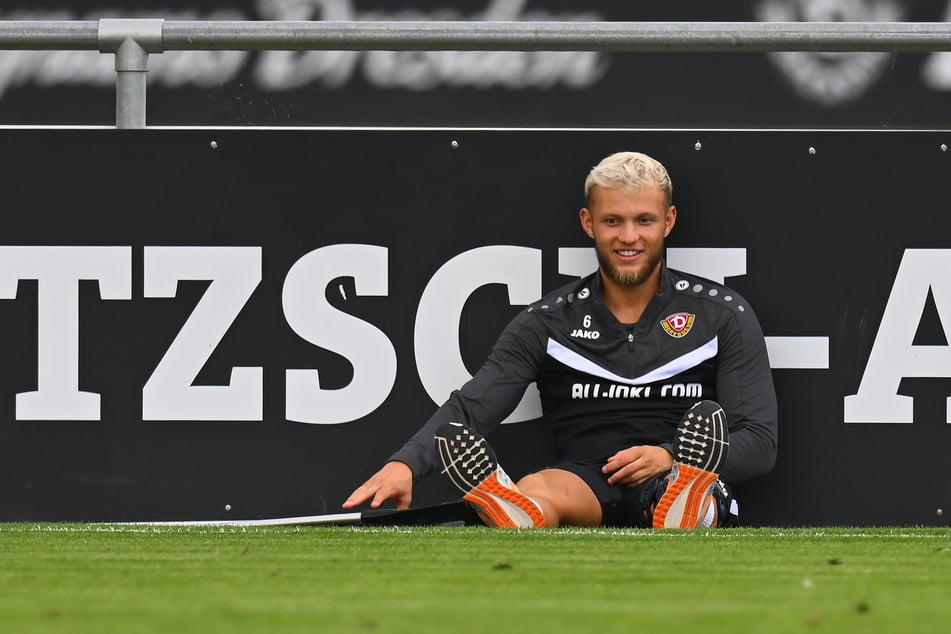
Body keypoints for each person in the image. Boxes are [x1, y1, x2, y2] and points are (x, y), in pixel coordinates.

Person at [343, 151, 777, 528]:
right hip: (586, 481)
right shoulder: (546, 321)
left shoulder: (722, 314)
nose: (628, 237)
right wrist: (405, 465)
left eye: (644, 220)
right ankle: (519, 511)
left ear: (669, 221)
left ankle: (684, 504)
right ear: (588, 223)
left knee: (695, 498)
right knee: (538, 488)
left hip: (679, 473)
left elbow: (759, 441)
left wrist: (669, 456)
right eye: (613, 221)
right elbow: (472, 407)